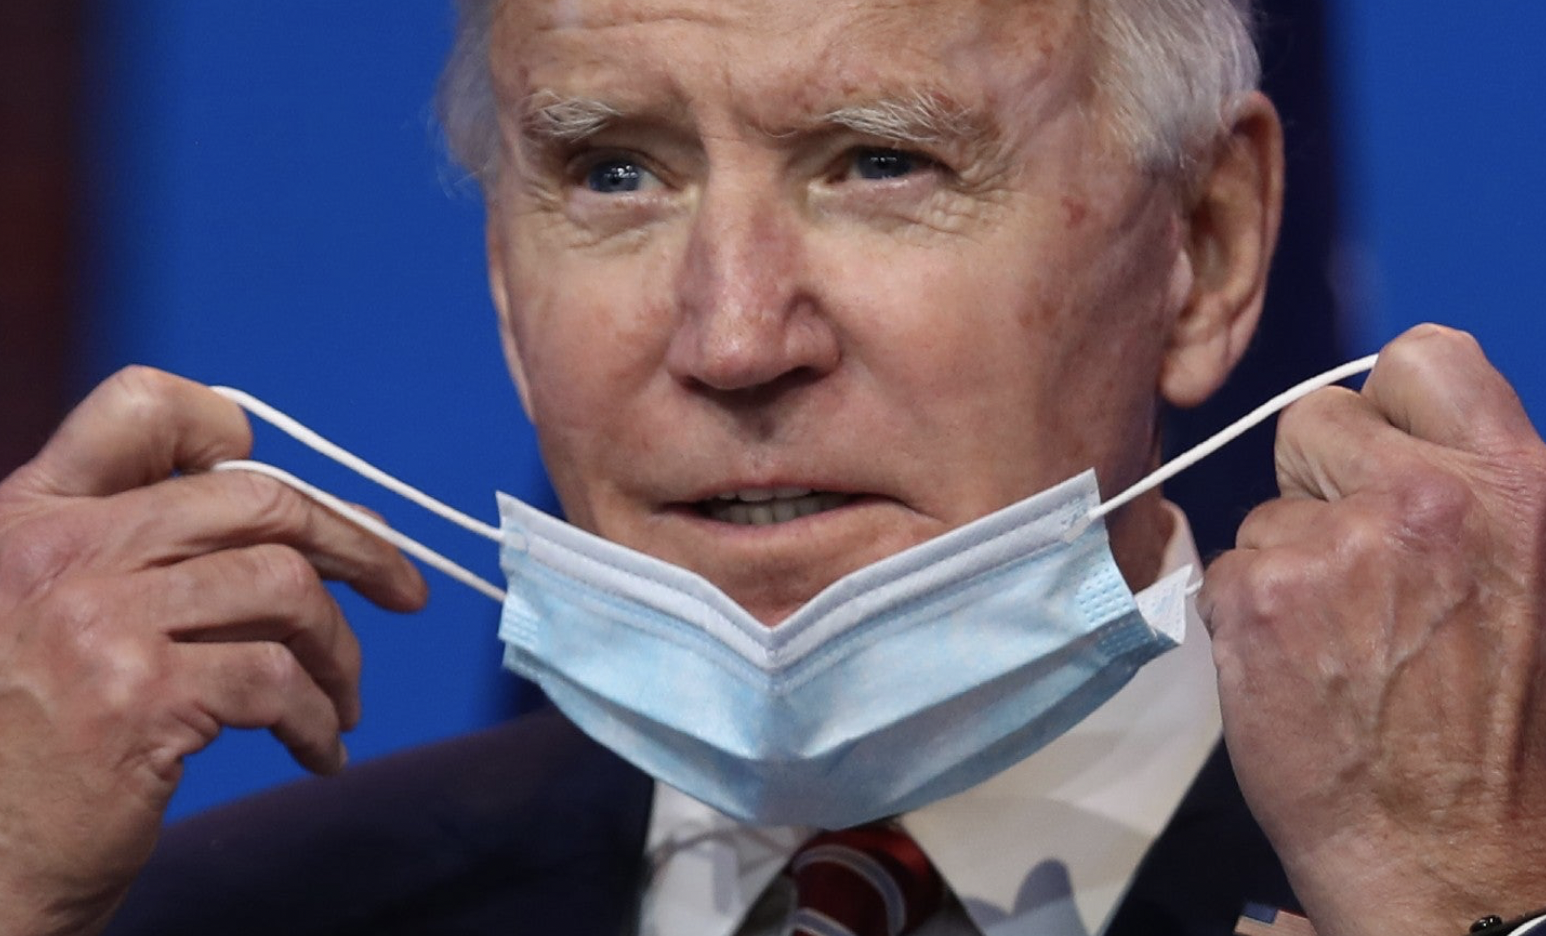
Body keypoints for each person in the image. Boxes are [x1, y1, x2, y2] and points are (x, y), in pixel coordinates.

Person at [2, 0, 1544, 934]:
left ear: (1203, 247)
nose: (733, 337)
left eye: (880, 161)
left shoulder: (1477, 871)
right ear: (504, 284)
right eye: (613, 171)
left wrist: (1450, 913)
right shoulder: (207, 911)